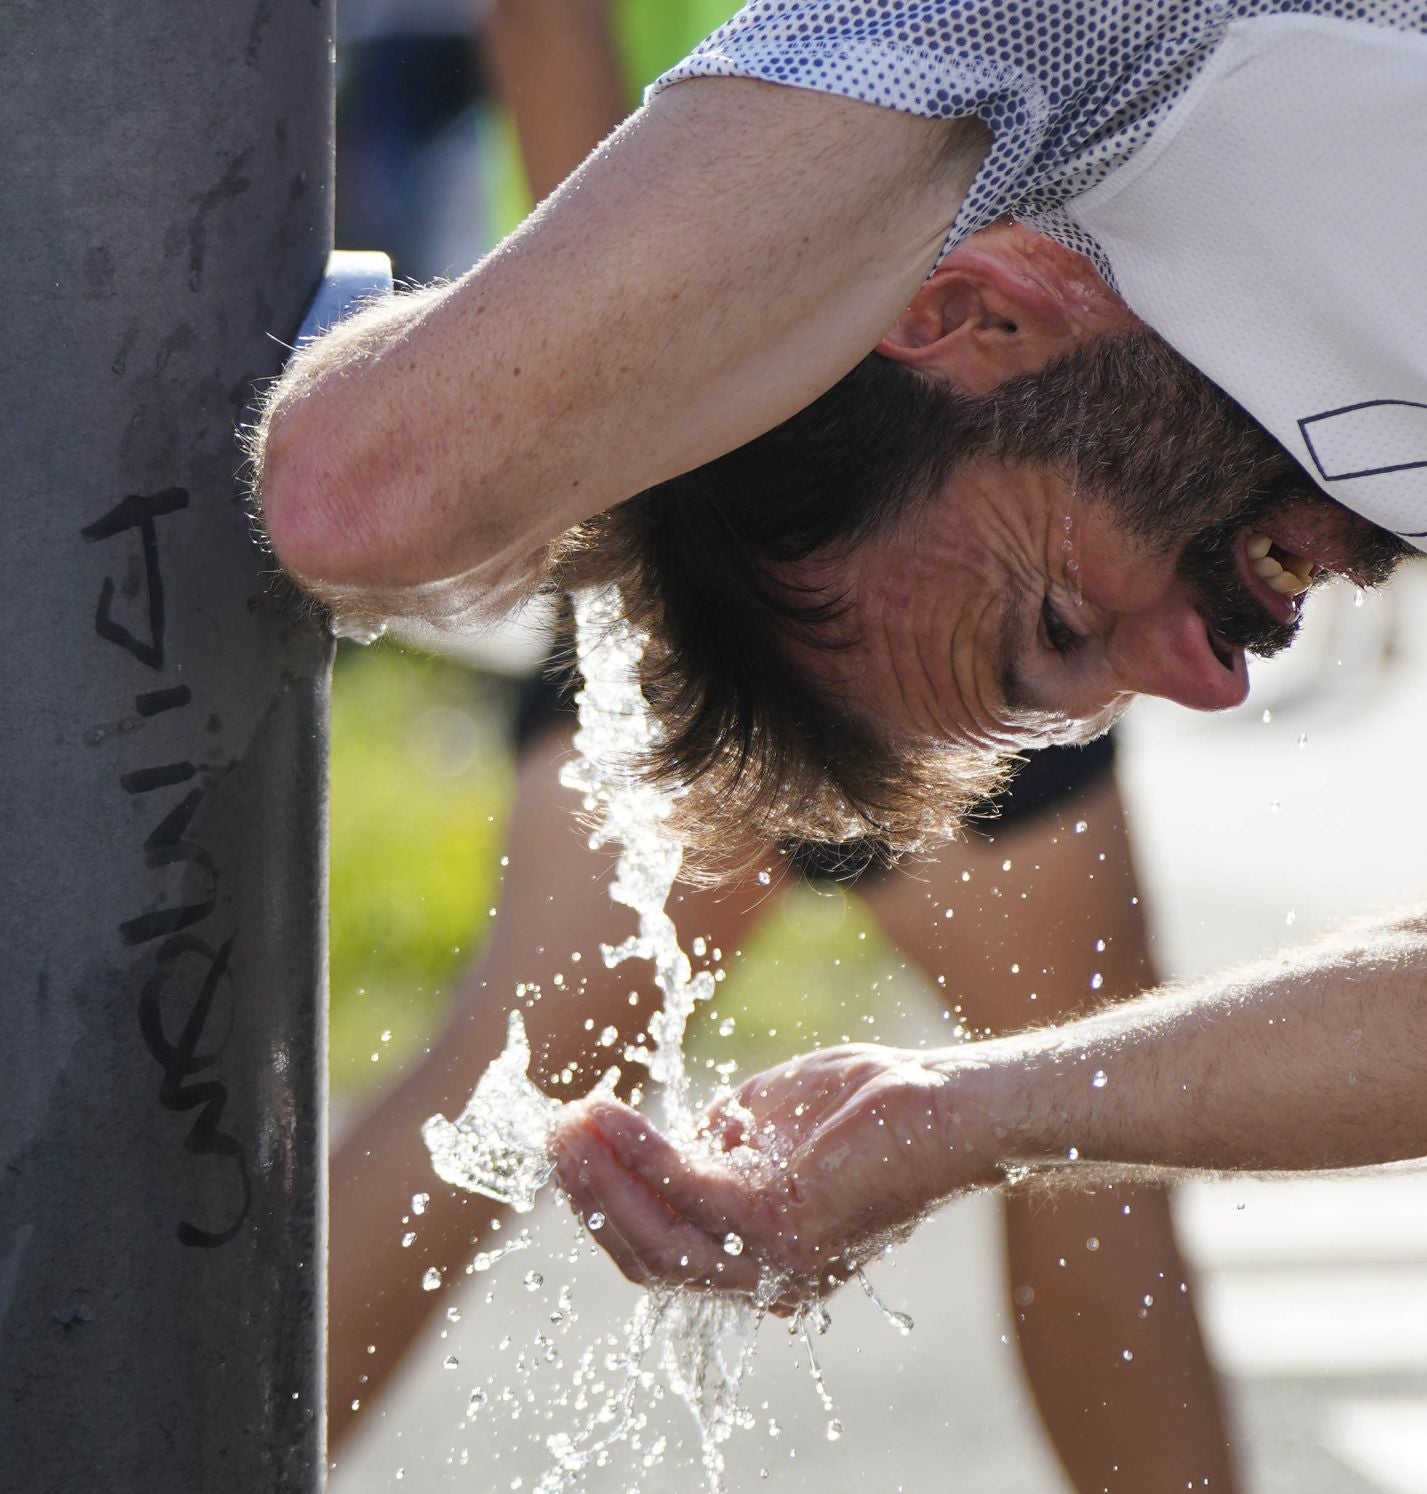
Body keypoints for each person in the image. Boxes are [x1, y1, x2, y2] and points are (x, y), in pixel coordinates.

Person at [255, 3, 1427, 1314]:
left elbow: (357, 486)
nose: (1206, 681)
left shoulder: (1114, 38)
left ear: (980, 317)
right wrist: (955, 1118)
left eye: (1058, 616)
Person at [325, 4, 1240, 1490]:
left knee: (1083, 1126)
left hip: (909, 472)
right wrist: (663, 449)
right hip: (802, 469)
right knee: (1082, 1128)